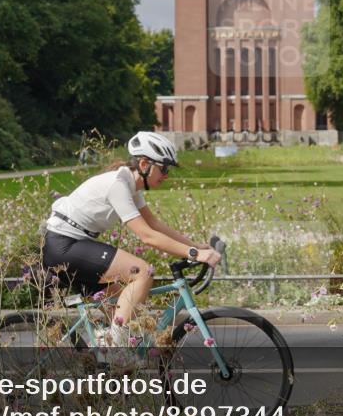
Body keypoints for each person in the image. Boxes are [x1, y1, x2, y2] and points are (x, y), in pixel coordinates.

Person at [43, 131, 221, 345]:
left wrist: (194, 245)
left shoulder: (130, 185)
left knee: (126, 309)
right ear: (144, 164)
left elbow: (154, 224)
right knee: (143, 272)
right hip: (64, 245)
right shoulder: (118, 185)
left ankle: (107, 358)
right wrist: (195, 254)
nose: (166, 175)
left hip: (73, 244)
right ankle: (117, 349)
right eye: (163, 168)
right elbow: (147, 236)